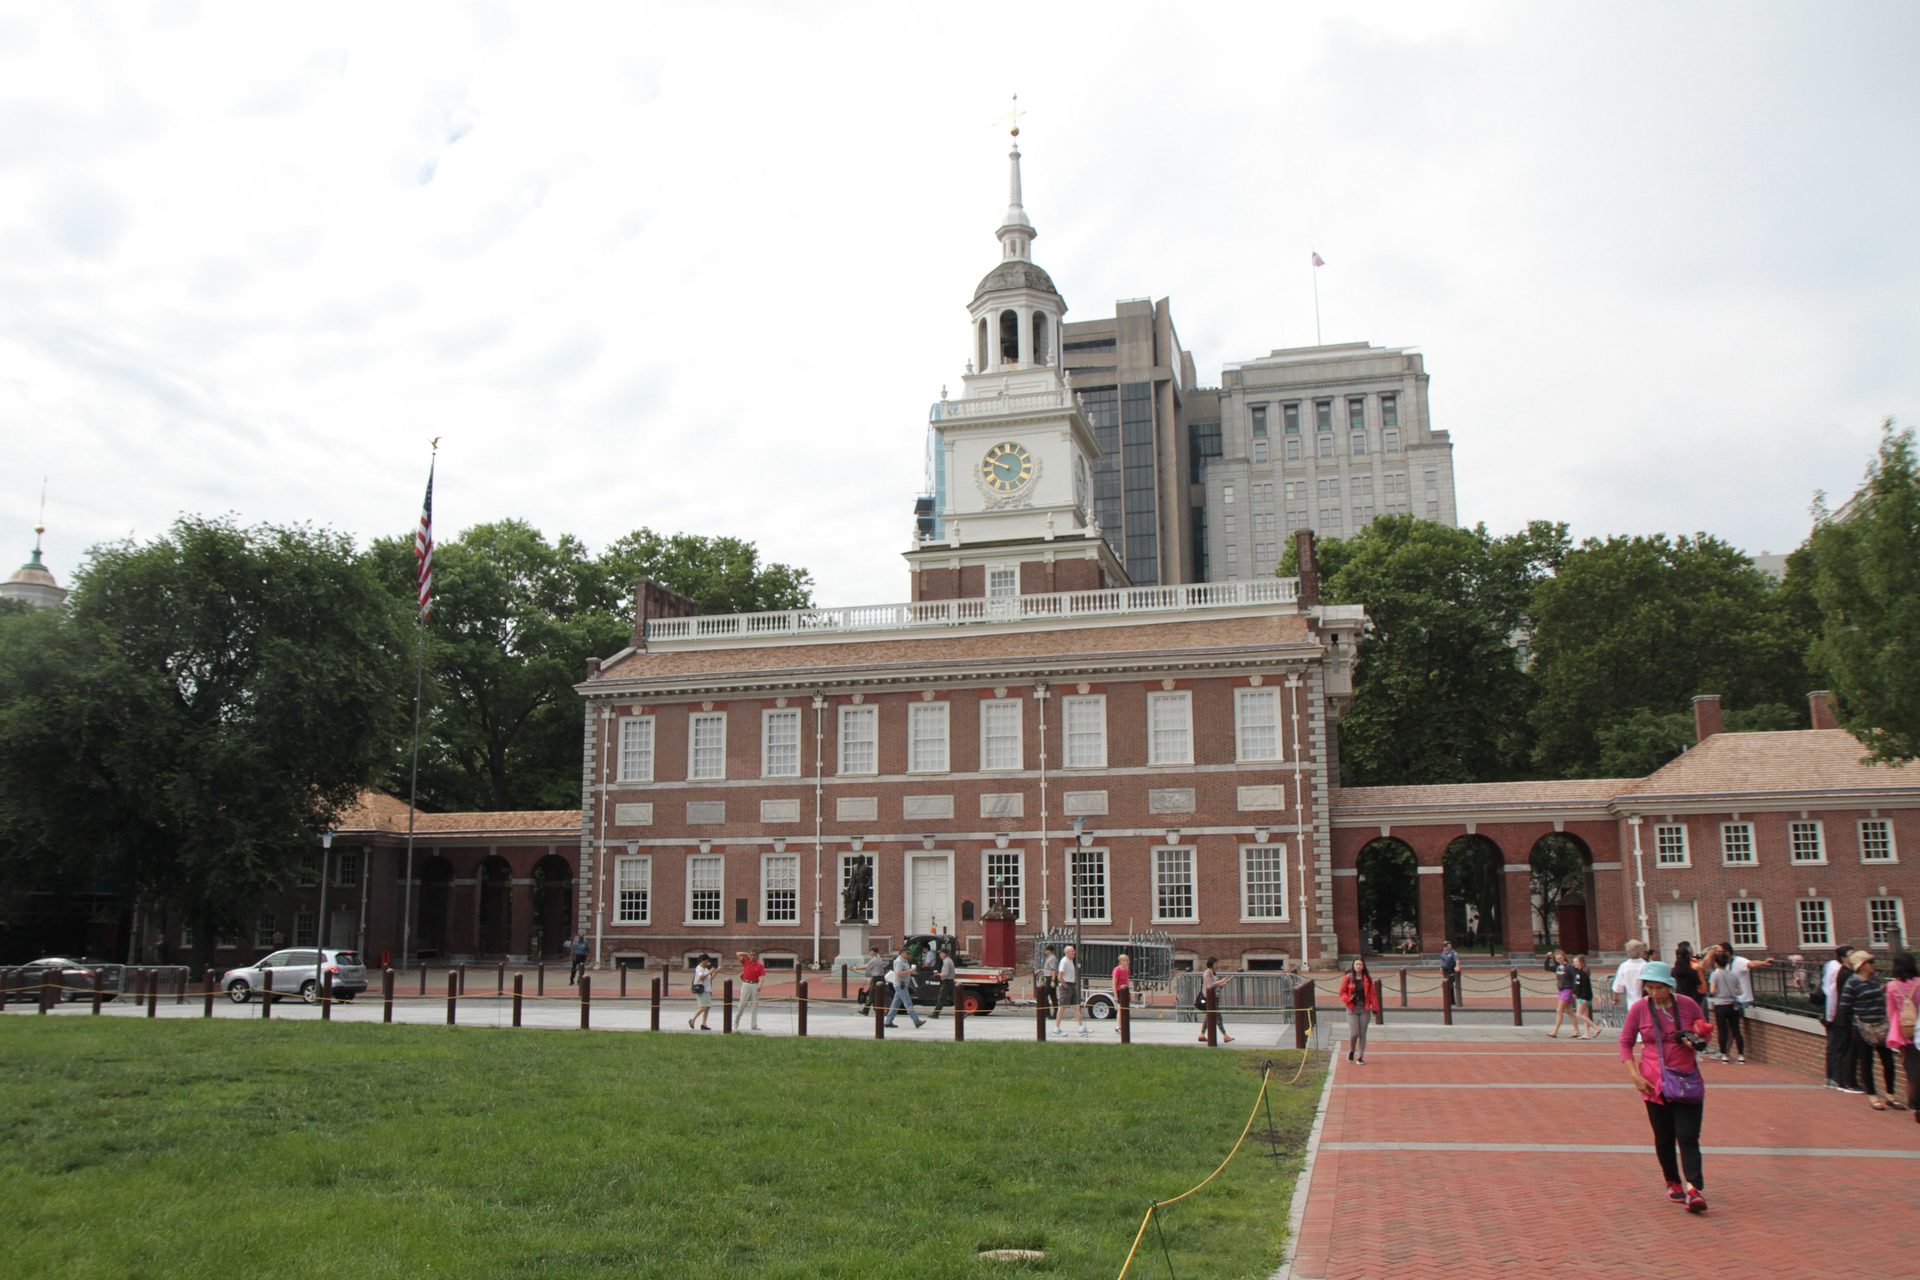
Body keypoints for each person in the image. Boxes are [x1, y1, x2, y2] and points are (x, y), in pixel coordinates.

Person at [1620, 959, 1712, 1213]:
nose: (1653, 993)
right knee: (1664, 1137)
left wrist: (1697, 1039)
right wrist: (1634, 1075)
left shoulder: (1688, 1005)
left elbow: (1704, 1032)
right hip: (1654, 1083)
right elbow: (1625, 1042)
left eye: (1658, 988)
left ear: (1669, 986)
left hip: (1685, 1079)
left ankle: (1694, 1188)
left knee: (1688, 1136)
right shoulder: (1640, 1009)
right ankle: (1673, 1182)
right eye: (1648, 988)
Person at [1840, 950, 1900, 1109]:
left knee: (1888, 1062)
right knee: (1867, 1063)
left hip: (1881, 1026)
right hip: (1863, 1027)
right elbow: (1845, 1006)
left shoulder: (1874, 980)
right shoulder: (1852, 983)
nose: (1873, 965)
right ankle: (1873, 1096)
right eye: (1870, 962)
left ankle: (1891, 1095)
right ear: (1862, 965)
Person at [1883, 951, 1920, 1124]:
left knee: (1912, 1071)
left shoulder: (1891, 986)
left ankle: (1917, 1104)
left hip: (1905, 1034)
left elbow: (1891, 1013)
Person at [1822, 944, 1852, 1088]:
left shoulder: (1831, 966)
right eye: (1851, 954)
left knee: (1833, 1045)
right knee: (1836, 1045)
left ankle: (1832, 1076)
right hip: (1835, 1013)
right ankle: (1836, 1077)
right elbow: (1832, 993)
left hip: (1833, 1012)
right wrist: (1830, 1016)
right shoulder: (1838, 970)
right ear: (1843, 957)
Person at [1341, 957, 1380, 1063]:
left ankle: (1360, 1056)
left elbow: (1373, 995)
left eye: (1360, 964)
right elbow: (1342, 993)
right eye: (1356, 964)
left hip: (1364, 1009)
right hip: (1352, 1009)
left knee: (1363, 1034)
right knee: (1355, 1033)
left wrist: (1375, 1008)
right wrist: (1349, 999)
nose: (1358, 966)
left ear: (1363, 967)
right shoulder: (1348, 978)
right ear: (1353, 966)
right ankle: (1352, 1050)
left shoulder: (1367, 979)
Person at [884, 947, 925, 1029]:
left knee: (895, 1004)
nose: (908, 955)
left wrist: (911, 972)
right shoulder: (899, 962)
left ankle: (888, 1021)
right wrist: (910, 971)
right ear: (902, 953)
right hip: (900, 985)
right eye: (907, 953)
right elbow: (898, 973)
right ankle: (916, 1020)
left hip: (902, 984)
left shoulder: (904, 961)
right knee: (908, 1003)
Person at [1198, 956, 1235, 1044]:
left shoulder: (1214, 973)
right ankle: (1225, 1035)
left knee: (1209, 1016)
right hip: (1208, 998)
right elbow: (1209, 985)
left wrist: (1224, 983)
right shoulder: (1207, 973)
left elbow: (1216, 986)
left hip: (1215, 997)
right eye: (1216, 964)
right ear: (1211, 964)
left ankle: (1202, 1035)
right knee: (1218, 1017)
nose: (1217, 965)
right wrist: (1220, 981)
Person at [1546, 949, 1578, 1038]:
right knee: (1569, 1011)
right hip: (1561, 990)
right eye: (1557, 959)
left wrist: (1575, 991)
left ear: (1564, 957)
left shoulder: (1569, 967)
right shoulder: (1558, 967)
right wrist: (1548, 958)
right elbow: (1547, 968)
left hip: (1567, 990)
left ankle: (1555, 1031)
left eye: (1560, 958)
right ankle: (1576, 1031)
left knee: (1559, 1010)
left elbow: (1575, 979)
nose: (1559, 960)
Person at [1056, 945, 1086, 1036]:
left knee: (1076, 1006)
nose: (1074, 952)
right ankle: (1056, 1028)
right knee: (1062, 1007)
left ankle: (1081, 1028)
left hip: (1072, 984)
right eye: (1072, 951)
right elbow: (1060, 976)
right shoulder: (1064, 961)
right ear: (1067, 952)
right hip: (1067, 985)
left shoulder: (1070, 961)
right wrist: (1065, 986)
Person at [1612, 939, 1648, 1008]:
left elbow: (1618, 986)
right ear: (1640, 951)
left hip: (1631, 1003)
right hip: (1645, 1001)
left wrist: (1615, 999)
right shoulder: (1645, 965)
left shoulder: (1623, 966)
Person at [1571, 955, 1600, 1039]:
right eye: (1574, 962)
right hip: (1587, 996)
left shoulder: (1580, 973)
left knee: (1579, 1014)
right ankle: (1587, 1034)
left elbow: (1579, 986)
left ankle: (1596, 1027)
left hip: (1583, 996)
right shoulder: (1583, 971)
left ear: (1581, 962)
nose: (1574, 963)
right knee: (1585, 1015)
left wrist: (1577, 994)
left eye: (1576, 962)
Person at [1670, 941, 1704, 1011]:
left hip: (1679, 1000)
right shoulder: (1692, 971)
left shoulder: (1673, 971)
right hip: (1693, 1000)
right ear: (1687, 956)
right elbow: (1699, 985)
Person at [737, 950, 765, 1031]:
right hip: (746, 984)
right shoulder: (746, 962)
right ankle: (736, 1023)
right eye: (751, 955)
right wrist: (746, 954)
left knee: (754, 1005)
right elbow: (738, 954)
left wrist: (760, 985)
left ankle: (754, 1025)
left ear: (756, 956)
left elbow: (762, 976)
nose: (752, 956)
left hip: (755, 984)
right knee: (742, 1004)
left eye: (753, 955)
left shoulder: (759, 965)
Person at [856, 945, 888, 1015]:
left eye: (870, 952)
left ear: (873, 952)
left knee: (871, 994)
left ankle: (865, 1010)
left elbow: (866, 966)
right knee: (876, 994)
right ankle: (873, 1009)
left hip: (876, 978)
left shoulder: (874, 960)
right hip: (881, 977)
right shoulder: (879, 958)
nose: (869, 953)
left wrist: (856, 968)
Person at [688, 954, 716, 1030]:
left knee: (707, 1007)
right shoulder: (699, 968)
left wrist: (715, 973)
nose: (708, 962)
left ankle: (704, 1024)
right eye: (707, 960)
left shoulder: (705, 969)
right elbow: (702, 977)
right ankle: (692, 1019)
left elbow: (709, 979)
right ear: (703, 960)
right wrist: (710, 972)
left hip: (707, 989)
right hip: (701, 989)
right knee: (703, 1007)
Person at [930, 946, 957, 1019]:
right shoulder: (949, 960)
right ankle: (962, 1013)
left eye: (941, 953)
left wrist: (937, 974)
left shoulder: (946, 962)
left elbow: (945, 973)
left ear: (944, 954)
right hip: (950, 981)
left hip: (947, 982)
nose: (940, 955)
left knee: (941, 998)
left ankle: (935, 1014)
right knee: (954, 998)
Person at [1038, 945, 1059, 1017]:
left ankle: (1048, 1013)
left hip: (1050, 978)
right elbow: (1049, 969)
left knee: (1044, 995)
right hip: (1050, 978)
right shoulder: (1050, 958)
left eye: (1045, 950)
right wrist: (1041, 970)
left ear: (1049, 950)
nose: (1045, 952)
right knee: (1053, 996)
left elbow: (1053, 970)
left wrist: (1053, 980)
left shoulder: (1051, 959)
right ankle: (1056, 1013)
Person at [1112, 952, 1131, 1029]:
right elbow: (1114, 983)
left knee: (1125, 1009)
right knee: (1120, 1009)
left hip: (1125, 991)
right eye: (1126, 960)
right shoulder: (1117, 970)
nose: (1127, 962)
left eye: (1128, 960)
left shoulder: (1127, 969)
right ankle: (1118, 1026)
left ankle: (1123, 1025)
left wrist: (1128, 991)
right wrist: (1115, 995)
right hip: (1119, 991)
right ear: (1121, 961)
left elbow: (1127, 980)